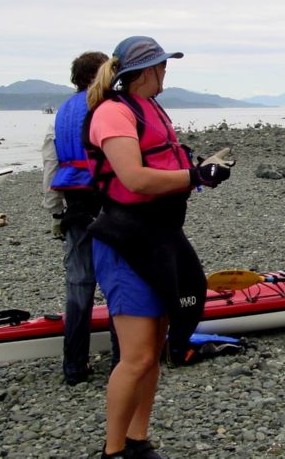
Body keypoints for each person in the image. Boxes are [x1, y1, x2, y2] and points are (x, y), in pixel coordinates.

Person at [85, 36, 232, 459]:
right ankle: (113, 451)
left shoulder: (151, 108)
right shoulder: (113, 113)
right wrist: (195, 177)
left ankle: (138, 440)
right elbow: (133, 178)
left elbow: (164, 163)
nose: (167, 71)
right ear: (144, 70)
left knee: (155, 349)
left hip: (162, 235)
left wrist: (202, 169)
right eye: (162, 66)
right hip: (126, 240)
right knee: (136, 356)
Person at [41, 50, 119, 385]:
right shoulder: (113, 110)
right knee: (118, 283)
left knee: (78, 287)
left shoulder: (58, 118)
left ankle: (74, 366)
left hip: (75, 208)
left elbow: (51, 169)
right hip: (113, 205)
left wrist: (56, 212)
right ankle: (123, 360)